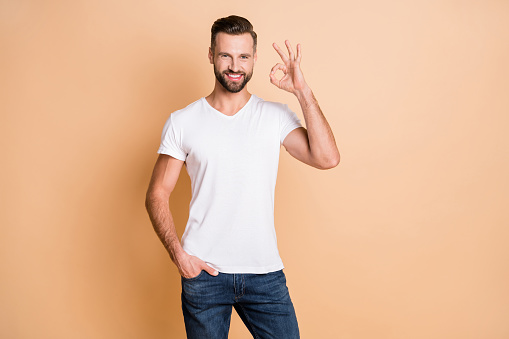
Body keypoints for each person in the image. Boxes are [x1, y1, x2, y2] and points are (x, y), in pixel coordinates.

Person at [145, 15, 340, 339]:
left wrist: (302, 91)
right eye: (225, 55)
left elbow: (327, 158)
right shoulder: (183, 121)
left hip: (264, 273)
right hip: (203, 274)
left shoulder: (274, 116)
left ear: (254, 58)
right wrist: (179, 254)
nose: (234, 65)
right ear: (211, 55)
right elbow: (157, 194)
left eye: (243, 56)